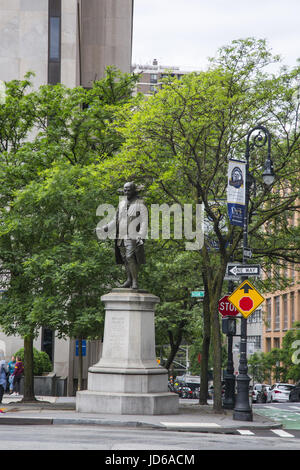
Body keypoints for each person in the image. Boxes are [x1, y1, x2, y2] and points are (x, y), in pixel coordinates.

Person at [104, 182, 147, 289]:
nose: (126, 192)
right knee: (125, 259)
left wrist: (141, 235)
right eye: (125, 189)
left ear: (134, 190)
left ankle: (135, 282)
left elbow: (145, 221)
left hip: (133, 234)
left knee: (130, 256)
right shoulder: (121, 203)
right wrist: (106, 227)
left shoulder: (140, 203)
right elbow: (115, 219)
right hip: (121, 235)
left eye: (128, 190)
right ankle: (129, 280)